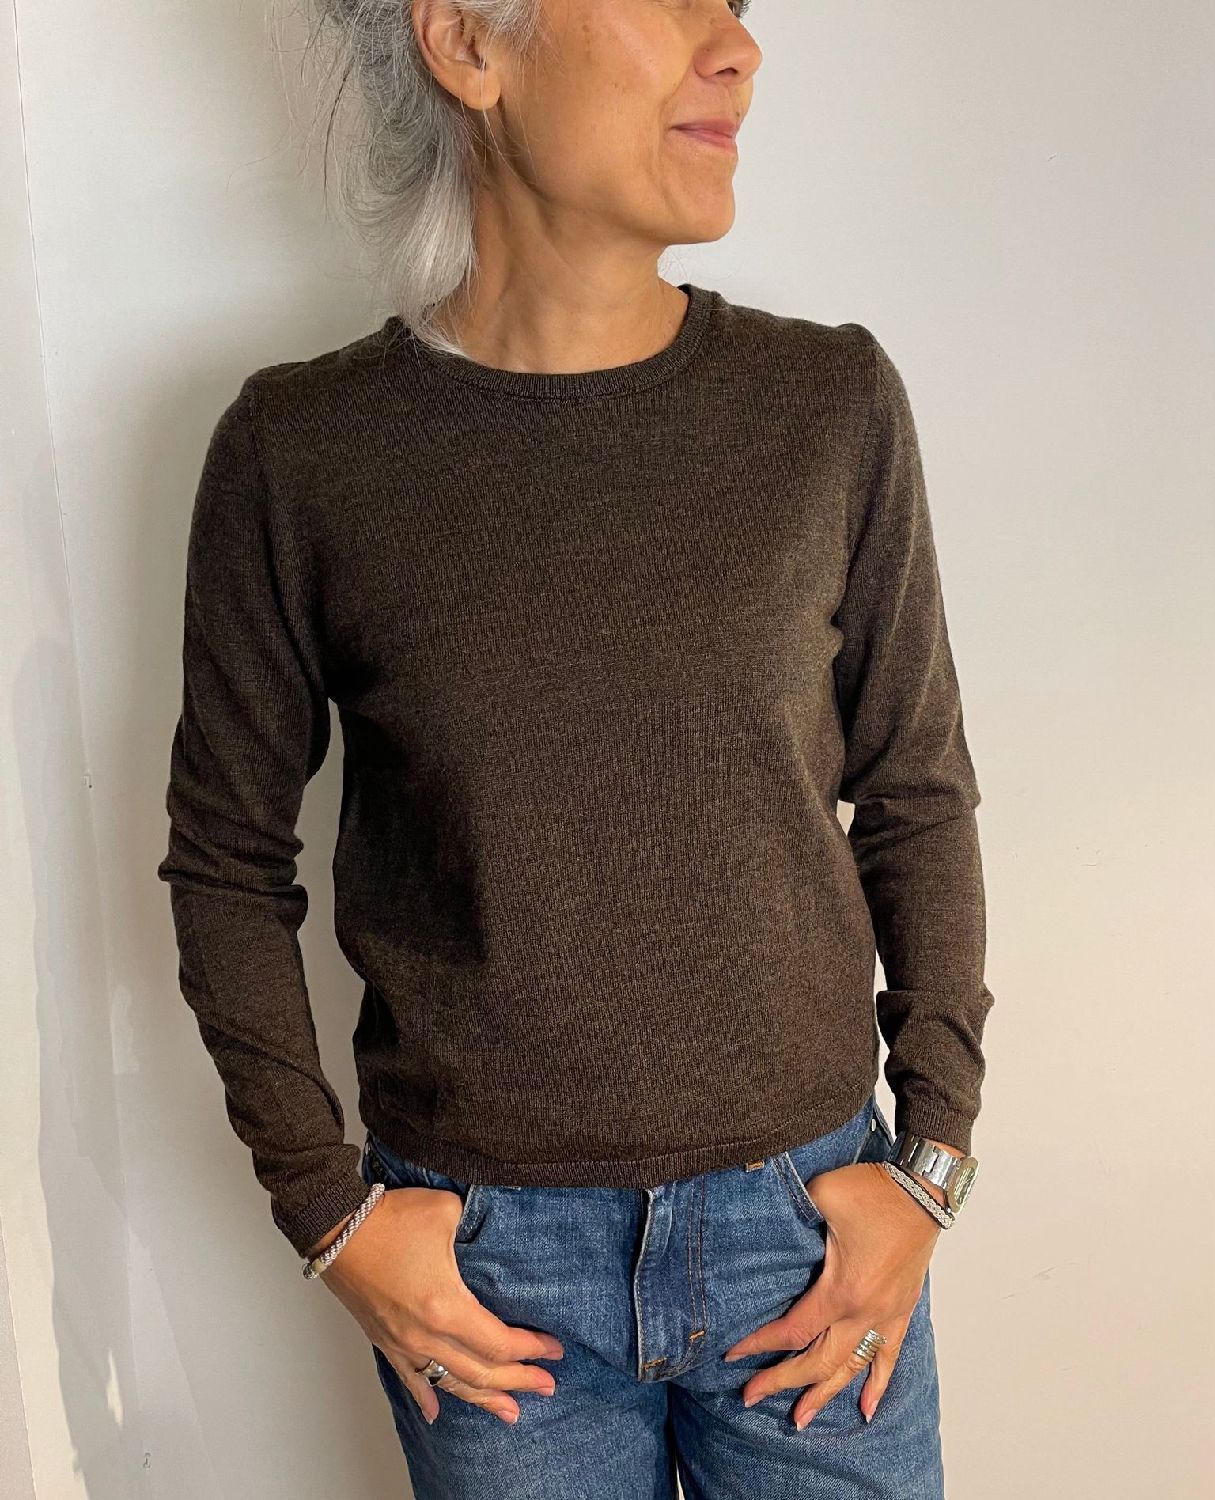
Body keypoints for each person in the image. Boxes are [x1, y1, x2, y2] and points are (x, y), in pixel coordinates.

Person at [157, 1, 995, 1494]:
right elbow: (225, 860)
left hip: (808, 1239)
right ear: (468, 43)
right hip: (489, 1283)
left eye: (738, 4)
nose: (737, 47)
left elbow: (915, 793)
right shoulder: (303, 453)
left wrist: (929, 1164)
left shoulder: (827, 406)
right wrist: (328, 1214)